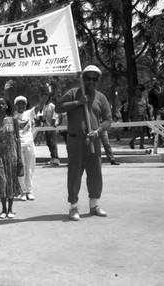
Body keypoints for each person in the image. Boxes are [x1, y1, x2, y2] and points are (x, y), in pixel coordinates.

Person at [55, 65, 111, 221]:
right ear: (83, 79)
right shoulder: (73, 93)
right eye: (88, 78)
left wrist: (98, 131)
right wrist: (78, 102)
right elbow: (59, 108)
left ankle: (94, 205)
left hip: (93, 140)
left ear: (98, 80)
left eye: (95, 79)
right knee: (74, 175)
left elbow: (108, 119)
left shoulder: (101, 97)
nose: (91, 82)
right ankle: (73, 207)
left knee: (95, 174)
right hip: (75, 141)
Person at [4, 81, 50, 201]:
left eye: (23, 104)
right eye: (18, 104)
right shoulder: (12, 115)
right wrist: (6, 91)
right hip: (17, 146)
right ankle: (22, 191)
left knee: (30, 167)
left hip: (29, 145)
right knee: (20, 168)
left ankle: (29, 190)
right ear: (15, 105)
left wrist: (48, 93)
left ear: (25, 105)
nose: (21, 106)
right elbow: (6, 104)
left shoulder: (29, 113)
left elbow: (40, 105)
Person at [0, 96, 22, 219]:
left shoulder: (13, 119)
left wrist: (19, 157)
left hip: (11, 154)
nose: (1, 106)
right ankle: (3, 208)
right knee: (2, 181)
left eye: (3, 104)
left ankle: (10, 209)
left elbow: (17, 140)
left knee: (11, 181)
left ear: (7, 106)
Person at [128, 84, 150, 149]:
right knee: (137, 131)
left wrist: (149, 116)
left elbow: (147, 108)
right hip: (135, 117)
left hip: (143, 116)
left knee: (143, 131)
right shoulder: (134, 99)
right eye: (136, 91)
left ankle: (141, 144)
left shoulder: (145, 98)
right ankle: (132, 141)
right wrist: (129, 117)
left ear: (141, 91)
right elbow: (131, 108)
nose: (137, 92)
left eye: (138, 91)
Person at [148, 77, 164, 147]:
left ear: (157, 81)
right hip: (156, 110)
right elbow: (150, 103)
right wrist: (151, 112)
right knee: (158, 125)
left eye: (154, 81)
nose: (153, 82)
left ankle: (154, 139)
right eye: (152, 81)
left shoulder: (162, 90)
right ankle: (161, 142)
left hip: (163, 109)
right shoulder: (151, 92)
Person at [43, 95, 60, 166]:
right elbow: (44, 118)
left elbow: (55, 116)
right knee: (49, 143)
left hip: (52, 127)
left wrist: (54, 124)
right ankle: (52, 158)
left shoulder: (52, 106)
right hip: (46, 128)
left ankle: (56, 159)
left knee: (53, 143)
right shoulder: (44, 106)